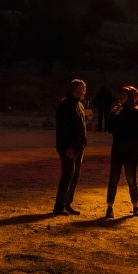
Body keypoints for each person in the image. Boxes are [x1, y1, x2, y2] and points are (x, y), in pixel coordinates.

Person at [105, 85, 138, 219]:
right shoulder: (118, 111)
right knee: (114, 177)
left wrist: (133, 138)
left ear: (130, 97)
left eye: (124, 95)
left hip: (131, 150)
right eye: (120, 95)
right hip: (117, 148)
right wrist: (112, 115)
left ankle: (135, 206)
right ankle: (109, 207)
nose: (121, 98)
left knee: (131, 178)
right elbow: (110, 129)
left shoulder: (137, 112)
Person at [54, 79, 88, 216]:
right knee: (68, 175)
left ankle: (67, 203)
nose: (84, 92)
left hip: (78, 146)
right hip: (69, 147)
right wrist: (67, 146)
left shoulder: (78, 105)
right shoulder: (65, 105)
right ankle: (59, 205)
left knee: (74, 175)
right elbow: (63, 128)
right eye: (82, 90)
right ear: (75, 90)